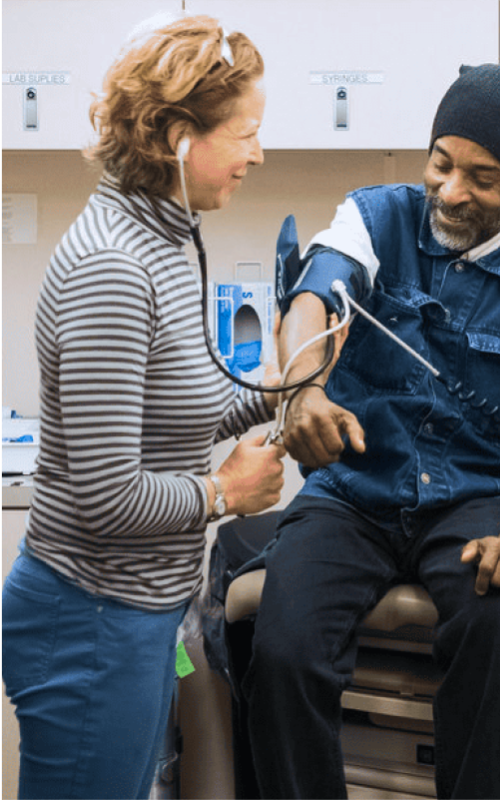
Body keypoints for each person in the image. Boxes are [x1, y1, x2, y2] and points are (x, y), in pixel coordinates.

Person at [238, 64, 500, 800]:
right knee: (282, 648)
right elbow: (315, 290)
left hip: (478, 499)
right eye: (441, 162)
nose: (452, 189)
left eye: (483, 176)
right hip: (355, 491)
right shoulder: (375, 216)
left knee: (499, 626)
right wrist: (303, 390)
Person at [0, 13, 287, 800]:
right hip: (88, 620)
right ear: (177, 138)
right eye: (246, 134)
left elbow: (181, 404)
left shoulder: (164, 239)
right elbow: (105, 498)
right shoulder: (113, 267)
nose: (258, 154)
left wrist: (278, 386)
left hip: (135, 613)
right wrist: (226, 493)